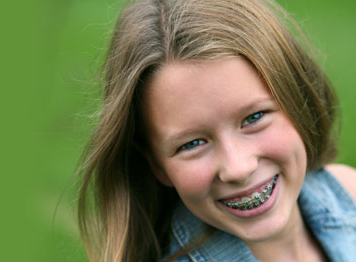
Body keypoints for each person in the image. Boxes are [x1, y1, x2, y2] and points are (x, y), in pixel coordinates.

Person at [77, 0, 356, 261]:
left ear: (298, 101)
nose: (238, 168)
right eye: (192, 143)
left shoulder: (346, 190)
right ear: (156, 164)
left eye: (254, 117)